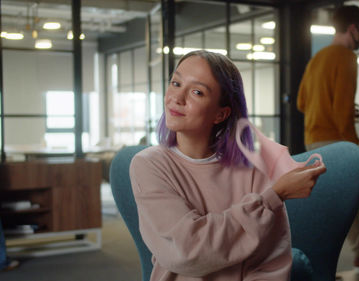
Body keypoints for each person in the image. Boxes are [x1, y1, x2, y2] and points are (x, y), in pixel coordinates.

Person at [130, 50, 326, 281]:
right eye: (176, 82)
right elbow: (188, 251)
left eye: (197, 92)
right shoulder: (148, 165)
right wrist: (273, 196)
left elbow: (272, 262)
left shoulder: (254, 168)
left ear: (220, 114)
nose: (177, 97)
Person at [297, 4, 359, 273]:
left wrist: (322, 108)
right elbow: (342, 109)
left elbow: (302, 102)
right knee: (338, 204)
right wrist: (353, 147)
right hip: (335, 141)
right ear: (353, 28)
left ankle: (358, 251)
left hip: (313, 138)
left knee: (330, 202)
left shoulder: (318, 58)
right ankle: (335, 261)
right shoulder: (346, 57)